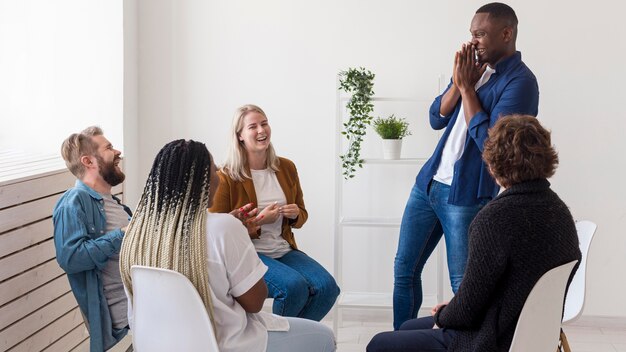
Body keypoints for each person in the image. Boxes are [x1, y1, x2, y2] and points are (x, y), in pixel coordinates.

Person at [368, 115, 582, 352]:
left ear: (493, 163)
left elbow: (467, 311)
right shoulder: (559, 210)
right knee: (409, 327)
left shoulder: (495, 218)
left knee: (380, 343)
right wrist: (452, 310)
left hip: (493, 338)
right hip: (534, 331)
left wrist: (445, 315)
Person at [393, 2, 540, 329]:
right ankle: (399, 342)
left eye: (481, 34)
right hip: (427, 186)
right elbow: (435, 117)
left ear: (506, 33)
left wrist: (465, 88)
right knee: (405, 272)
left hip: (466, 197)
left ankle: (470, 344)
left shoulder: (522, 82)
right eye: (471, 34)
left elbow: (494, 144)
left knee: (465, 287)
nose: (474, 41)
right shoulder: (472, 67)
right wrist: (460, 84)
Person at [119, 139, 336, 352]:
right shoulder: (223, 228)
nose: (219, 179)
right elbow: (255, 302)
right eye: (214, 171)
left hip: (156, 344)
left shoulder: (138, 233)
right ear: (202, 180)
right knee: (324, 337)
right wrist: (238, 235)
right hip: (226, 344)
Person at [209, 104, 339, 321]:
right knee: (293, 287)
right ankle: (281, 342)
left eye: (265, 123)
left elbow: (302, 215)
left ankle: (292, 342)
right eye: (253, 126)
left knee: (327, 288)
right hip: (249, 253)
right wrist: (259, 221)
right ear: (240, 135)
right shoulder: (226, 177)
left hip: (282, 249)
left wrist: (295, 213)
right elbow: (216, 229)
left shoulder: (286, 168)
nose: (261, 130)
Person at [52, 126, 130, 352]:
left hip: (142, 311)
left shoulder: (116, 204)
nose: (117, 152)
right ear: (88, 161)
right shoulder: (73, 201)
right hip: (121, 328)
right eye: (108, 148)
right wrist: (122, 235)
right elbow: (71, 258)